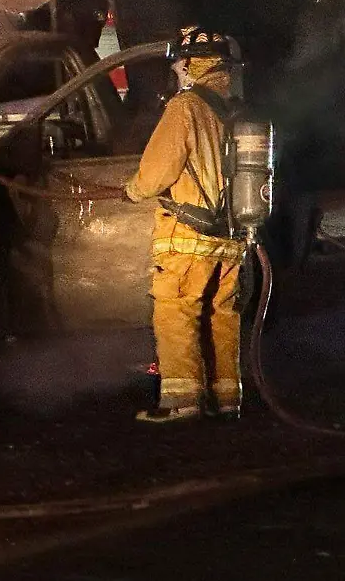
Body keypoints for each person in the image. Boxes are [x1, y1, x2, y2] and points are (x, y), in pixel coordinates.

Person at [124, 26, 247, 422]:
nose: (177, 70)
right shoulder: (233, 109)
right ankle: (227, 398)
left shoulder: (186, 107)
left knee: (176, 312)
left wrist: (132, 190)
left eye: (180, 63)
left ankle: (182, 402)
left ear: (193, 63)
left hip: (186, 237)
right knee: (222, 315)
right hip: (229, 237)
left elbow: (157, 173)